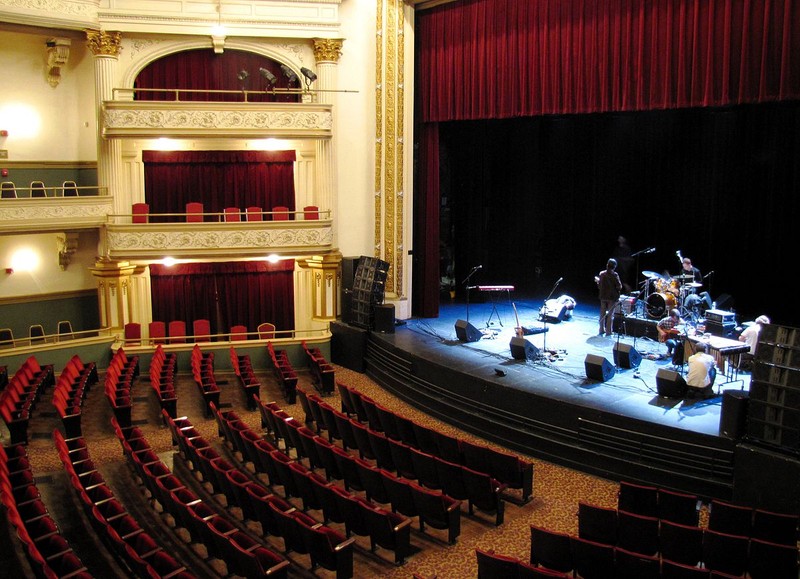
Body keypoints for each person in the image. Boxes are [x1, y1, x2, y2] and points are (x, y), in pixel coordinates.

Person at [595, 258, 622, 336]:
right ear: (614, 267)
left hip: (603, 296)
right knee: (610, 315)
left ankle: (601, 330)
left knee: (602, 313)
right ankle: (608, 331)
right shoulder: (615, 275)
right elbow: (619, 286)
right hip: (611, 297)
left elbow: (600, 286)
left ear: (607, 265)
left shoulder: (601, 273)